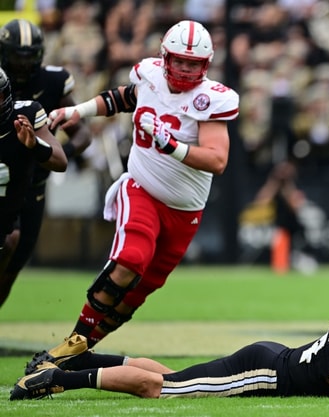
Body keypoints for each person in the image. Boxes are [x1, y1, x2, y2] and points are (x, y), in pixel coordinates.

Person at [24, 20, 239, 370]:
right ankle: (68, 347)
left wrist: (172, 145)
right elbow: (121, 98)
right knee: (130, 261)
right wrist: (76, 111)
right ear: (164, 57)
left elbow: (217, 160)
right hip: (141, 188)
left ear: (206, 65)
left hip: (184, 212)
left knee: (134, 296)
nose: (185, 69)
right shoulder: (149, 75)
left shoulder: (211, 99)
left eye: (193, 63)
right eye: (179, 61)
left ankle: (74, 355)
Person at [11, 298, 329, 400]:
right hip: (264, 375)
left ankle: (85, 358)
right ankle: (56, 379)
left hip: (269, 354)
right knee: (161, 390)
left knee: (175, 375)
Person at [0, 18, 92, 308]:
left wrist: (51, 153)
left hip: (32, 185)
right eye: (17, 56)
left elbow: (82, 134)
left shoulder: (50, 85)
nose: (23, 64)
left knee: (12, 266)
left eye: (29, 56)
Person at [0, 67, 68, 288]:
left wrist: (34, 145)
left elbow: (60, 160)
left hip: (10, 209)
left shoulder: (25, 115)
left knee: (11, 250)